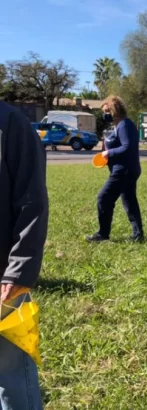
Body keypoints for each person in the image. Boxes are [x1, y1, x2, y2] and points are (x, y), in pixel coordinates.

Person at [0, 101, 48, 410]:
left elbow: (33, 205)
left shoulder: (12, 124)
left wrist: (17, 273)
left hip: (4, 283)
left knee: (12, 376)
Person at [87, 96, 144, 242]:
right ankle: (138, 235)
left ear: (115, 110)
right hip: (127, 169)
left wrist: (108, 153)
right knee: (129, 201)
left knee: (104, 198)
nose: (104, 114)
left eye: (106, 111)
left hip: (124, 170)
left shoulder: (124, 125)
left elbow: (127, 147)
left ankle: (102, 234)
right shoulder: (119, 125)